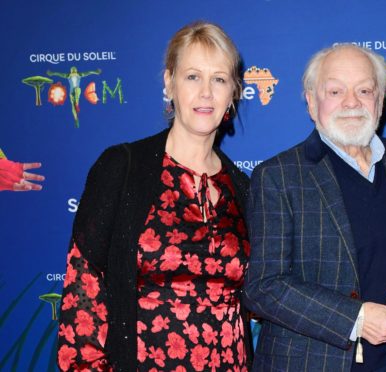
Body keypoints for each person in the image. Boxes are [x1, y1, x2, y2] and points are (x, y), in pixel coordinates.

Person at [57, 21, 251, 371]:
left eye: (219, 79)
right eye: (193, 76)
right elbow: (82, 292)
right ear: (169, 82)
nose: (206, 92)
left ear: (233, 93)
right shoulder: (122, 168)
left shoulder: (242, 188)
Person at [243, 44, 386, 372]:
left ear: (380, 100)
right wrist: (358, 318)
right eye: (335, 90)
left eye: (364, 90)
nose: (352, 102)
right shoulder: (278, 175)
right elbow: (264, 286)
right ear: (311, 101)